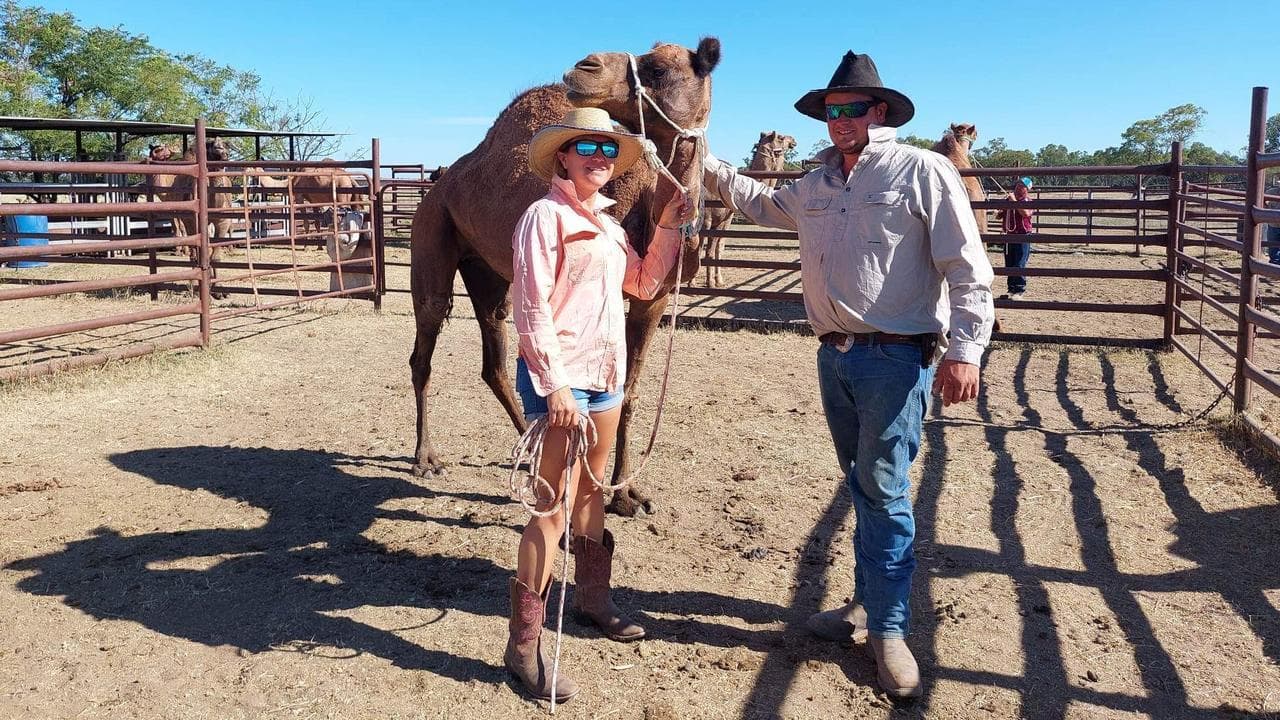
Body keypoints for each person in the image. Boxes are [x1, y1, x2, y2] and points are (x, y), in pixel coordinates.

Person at [701, 51, 994, 698]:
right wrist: (704, 160)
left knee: (884, 492)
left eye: (850, 109)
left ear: (879, 112)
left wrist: (966, 349)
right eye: (830, 111)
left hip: (895, 357)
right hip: (833, 355)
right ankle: (867, 607)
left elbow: (967, 267)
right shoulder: (817, 184)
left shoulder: (923, 170)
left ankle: (888, 630)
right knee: (865, 486)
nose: (838, 121)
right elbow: (761, 204)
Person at [506, 106, 689, 703]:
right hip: (562, 378)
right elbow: (531, 306)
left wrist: (667, 225)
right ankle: (524, 646)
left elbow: (640, 284)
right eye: (587, 148)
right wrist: (554, 384)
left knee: (592, 492)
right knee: (550, 505)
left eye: (608, 151)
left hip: (605, 375)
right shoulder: (544, 217)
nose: (599, 159)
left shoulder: (609, 227)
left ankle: (592, 601)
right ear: (563, 156)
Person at [1000, 177, 1035, 297]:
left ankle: (1019, 290)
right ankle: (1011, 289)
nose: (1018, 188)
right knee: (1009, 263)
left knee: (1019, 263)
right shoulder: (1009, 200)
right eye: (1018, 185)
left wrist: (1014, 201)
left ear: (1027, 189)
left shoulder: (1028, 201)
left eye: (1022, 186)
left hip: (1022, 236)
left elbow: (1025, 213)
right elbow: (1000, 215)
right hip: (1009, 235)